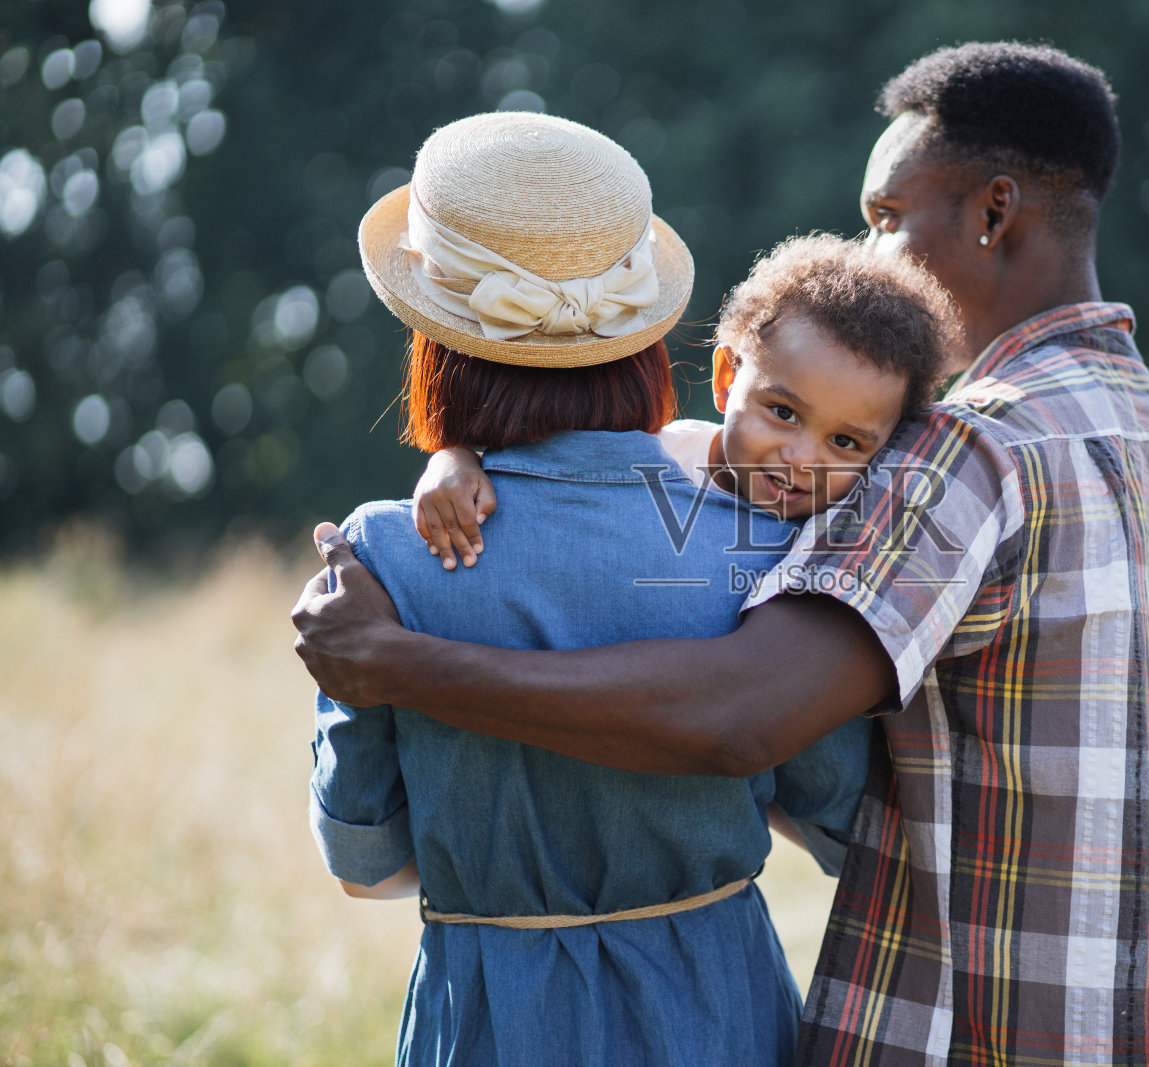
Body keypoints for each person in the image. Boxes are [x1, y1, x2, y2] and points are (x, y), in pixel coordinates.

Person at [295, 43, 1149, 1066]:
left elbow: (739, 714)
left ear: (994, 213)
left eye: (884, 220)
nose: (872, 261)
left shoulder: (967, 456)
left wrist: (396, 662)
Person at [309, 111, 950, 1066]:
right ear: (658, 336)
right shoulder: (771, 553)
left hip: (490, 1012)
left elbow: (365, 863)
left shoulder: (388, 555)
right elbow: (834, 812)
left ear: (431, 339)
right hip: (713, 1003)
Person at [409, 232, 960, 570]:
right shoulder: (658, 454)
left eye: (844, 441)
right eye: (784, 413)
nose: (801, 460)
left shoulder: (840, 531)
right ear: (726, 376)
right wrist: (454, 458)